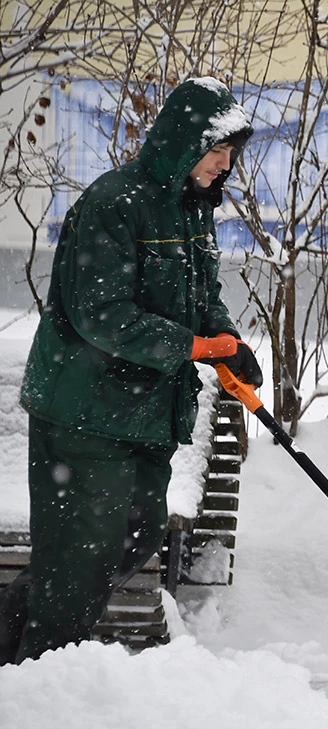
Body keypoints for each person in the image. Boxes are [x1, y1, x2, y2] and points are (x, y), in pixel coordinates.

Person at [0, 77, 264, 665]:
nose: (224, 166)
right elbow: (103, 317)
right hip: (85, 415)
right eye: (216, 152)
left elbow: (204, 295)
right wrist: (197, 347)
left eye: (230, 155)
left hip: (144, 415)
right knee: (79, 564)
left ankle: (14, 640)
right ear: (183, 143)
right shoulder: (114, 204)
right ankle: (45, 683)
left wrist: (228, 343)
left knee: (135, 536)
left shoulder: (192, 208)